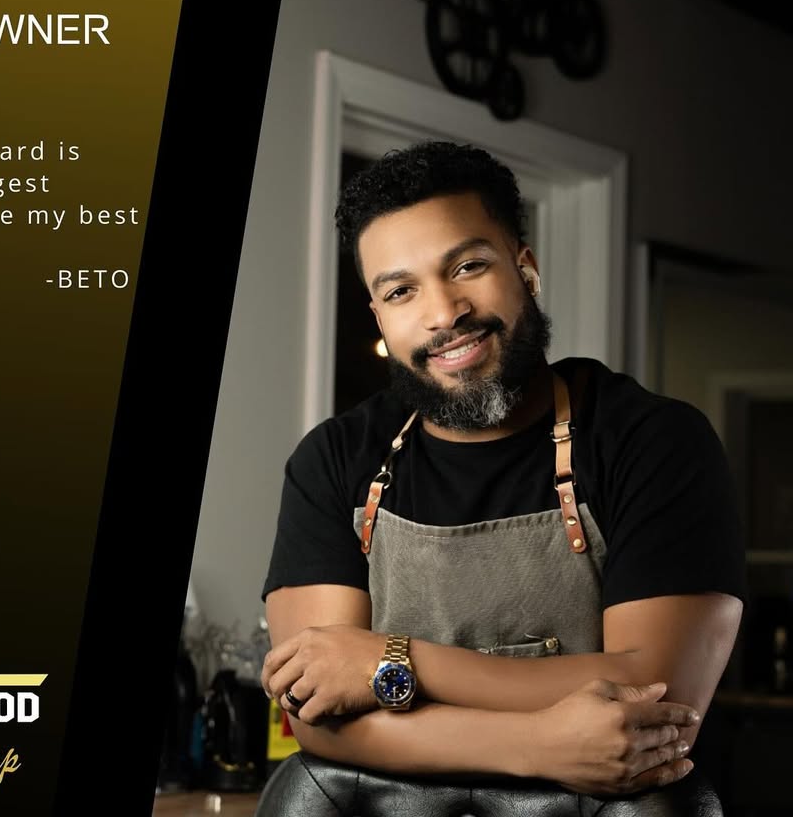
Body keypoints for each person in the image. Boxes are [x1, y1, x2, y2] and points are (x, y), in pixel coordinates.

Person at [260, 140, 744, 797]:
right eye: (401, 291)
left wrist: (388, 661)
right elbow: (318, 717)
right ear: (379, 317)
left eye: (468, 266)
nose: (443, 314)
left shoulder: (653, 441)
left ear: (525, 268)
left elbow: (659, 697)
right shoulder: (333, 459)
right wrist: (538, 745)